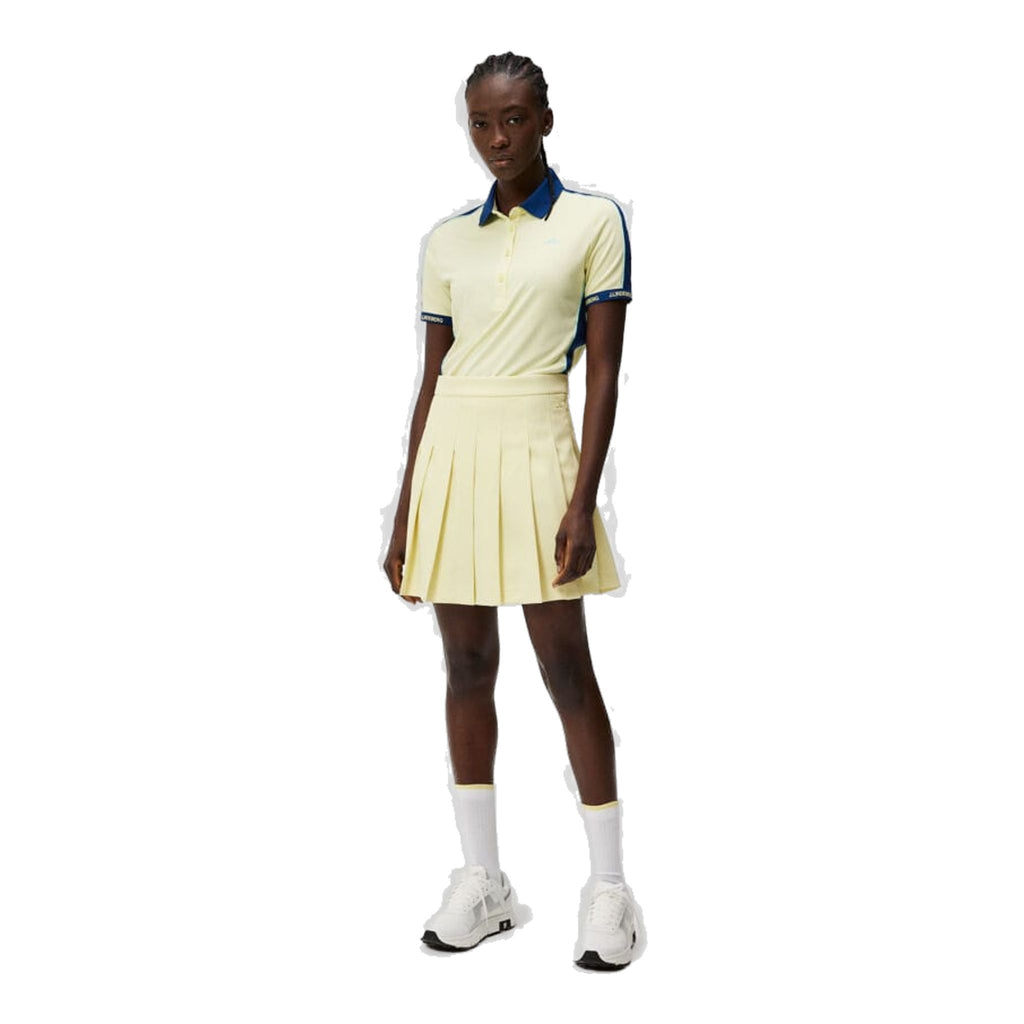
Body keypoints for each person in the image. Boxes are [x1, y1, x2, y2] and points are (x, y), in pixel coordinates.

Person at [383, 52, 643, 971]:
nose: (497, 139)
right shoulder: (446, 242)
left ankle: (609, 889)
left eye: (515, 119)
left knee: (566, 668)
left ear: (545, 120)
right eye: (481, 123)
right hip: (451, 455)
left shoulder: (593, 221)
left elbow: (603, 374)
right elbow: (432, 377)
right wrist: (406, 509)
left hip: (538, 449)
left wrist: (583, 496)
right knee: (466, 665)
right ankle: (484, 880)